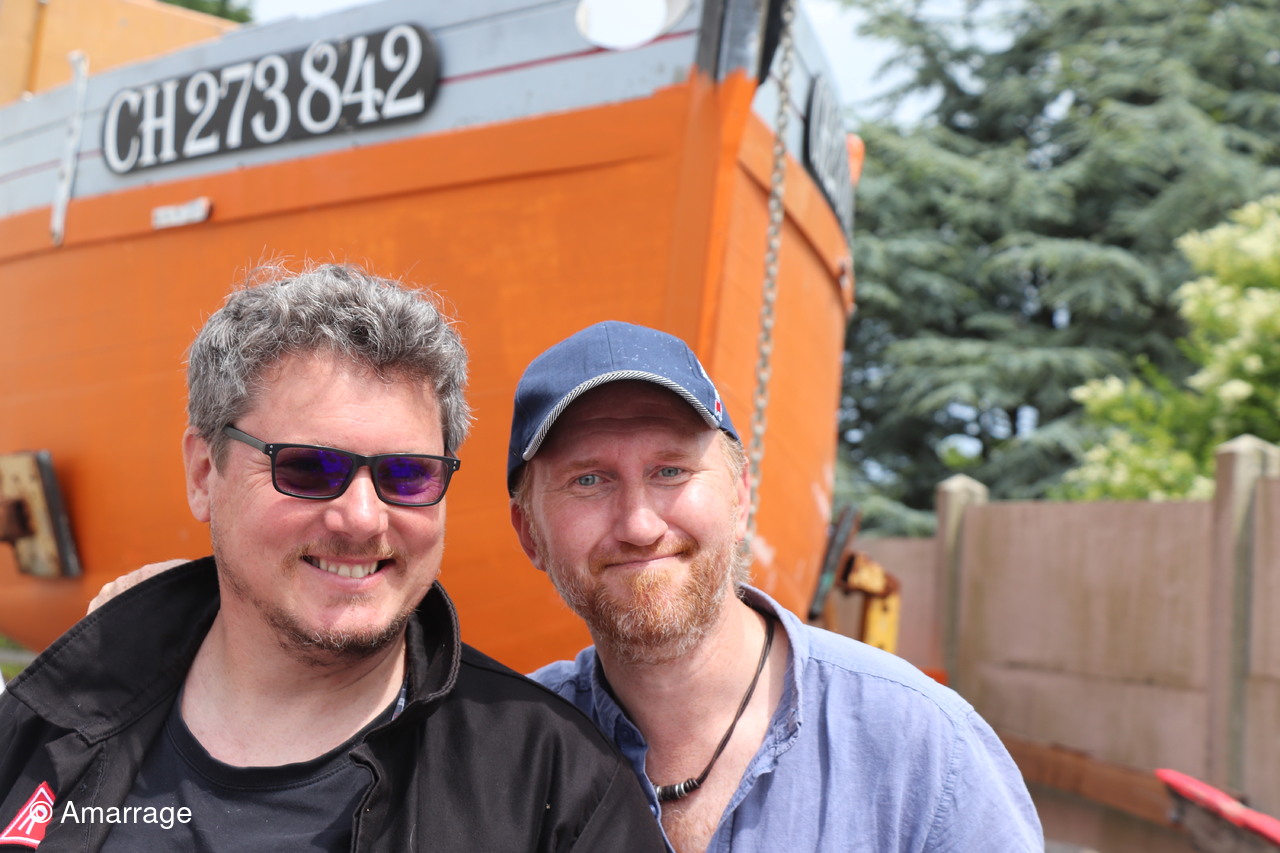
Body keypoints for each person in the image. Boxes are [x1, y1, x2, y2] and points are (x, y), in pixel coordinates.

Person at [0, 266, 666, 852]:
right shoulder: (42, 728)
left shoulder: (556, 790)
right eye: (308, 468)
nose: (363, 517)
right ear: (205, 473)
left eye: (407, 475)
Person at [507, 321, 1044, 853]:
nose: (640, 526)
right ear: (530, 533)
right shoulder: (503, 755)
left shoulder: (924, 749)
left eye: (670, 471)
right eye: (588, 480)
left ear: (740, 497)